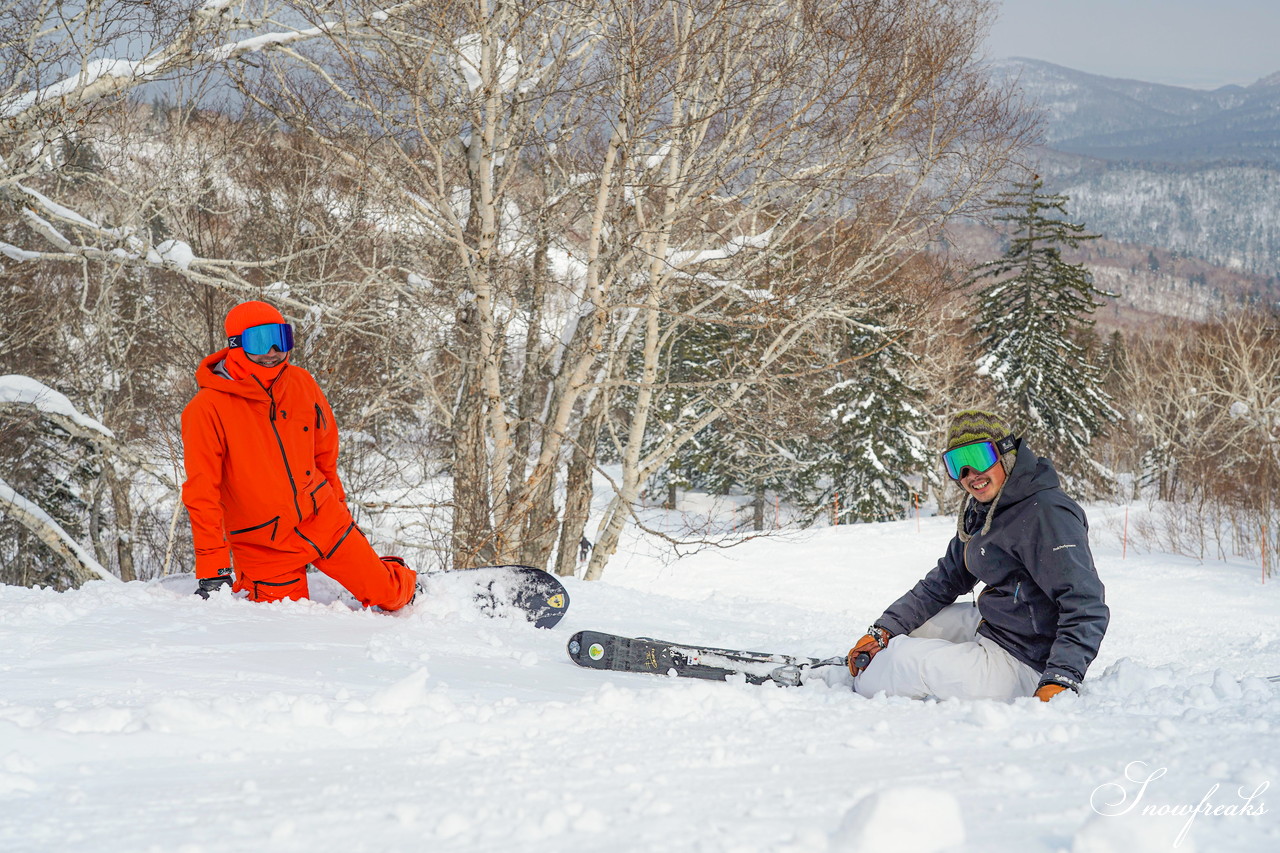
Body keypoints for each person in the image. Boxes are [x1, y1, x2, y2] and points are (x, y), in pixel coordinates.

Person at [848, 409, 1108, 702]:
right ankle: (868, 665)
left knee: (901, 661)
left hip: (1027, 660)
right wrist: (884, 630)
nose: (970, 475)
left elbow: (1085, 604)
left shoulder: (1047, 513)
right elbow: (943, 581)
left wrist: (1061, 677)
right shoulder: (984, 510)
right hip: (998, 626)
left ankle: (857, 680)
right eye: (957, 464)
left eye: (979, 457)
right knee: (904, 634)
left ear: (1006, 453)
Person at [181, 300, 417, 610]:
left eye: (281, 338)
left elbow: (325, 457)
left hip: (322, 519)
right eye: (261, 341)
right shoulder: (205, 409)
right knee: (289, 624)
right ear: (236, 345)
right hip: (263, 544)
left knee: (392, 596)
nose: (274, 351)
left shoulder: (302, 383)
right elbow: (202, 493)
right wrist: (214, 569)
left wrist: (340, 510)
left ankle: (389, 570)